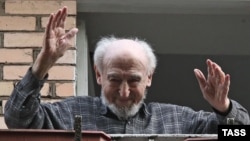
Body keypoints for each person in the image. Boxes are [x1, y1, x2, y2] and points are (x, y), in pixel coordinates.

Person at [4, 6, 250, 134]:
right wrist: (43, 64)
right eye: (114, 79)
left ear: (149, 79)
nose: (123, 92)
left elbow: (238, 136)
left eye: (133, 80)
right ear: (98, 75)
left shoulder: (178, 119)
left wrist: (223, 108)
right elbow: (17, 121)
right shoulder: (69, 113)